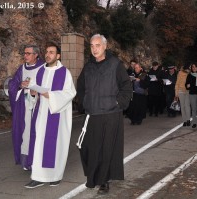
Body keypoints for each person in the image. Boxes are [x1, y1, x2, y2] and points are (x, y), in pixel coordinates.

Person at [77, 34, 132, 194]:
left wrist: (116, 103)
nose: (94, 49)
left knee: (107, 149)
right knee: (87, 147)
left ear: (105, 46)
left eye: (98, 45)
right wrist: (84, 102)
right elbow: (80, 87)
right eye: (92, 46)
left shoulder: (115, 64)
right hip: (92, 114)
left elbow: (126, 86)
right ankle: (94, 175)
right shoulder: (88, 66)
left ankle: (104, 181)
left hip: (110, 115)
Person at [24, 41, 76, 188]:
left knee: (56, 145)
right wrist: (33, 94)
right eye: (46, 52)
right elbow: (31, 93)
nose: (48, 55)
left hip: (57, 115)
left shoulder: (64, 72)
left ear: (58, 56)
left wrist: (50, 95)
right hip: (41, 115)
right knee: (39, 144)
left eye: (51, 52)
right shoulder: (40, 71)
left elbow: (70, 93)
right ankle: (38, 176)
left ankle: (55, 176)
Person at [8, 44, 44, 171]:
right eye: (24, 53)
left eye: (28, 53)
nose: (25, 56)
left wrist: (37, 91)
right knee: (25, 132)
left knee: (37, 132)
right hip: (24, 106)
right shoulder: (22, 69)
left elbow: (48, 86)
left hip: (38, 106)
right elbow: (12, 84)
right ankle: (26, 161)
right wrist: (19, 85)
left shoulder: (43, 68)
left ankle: (37, 161)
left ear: (36, 55)